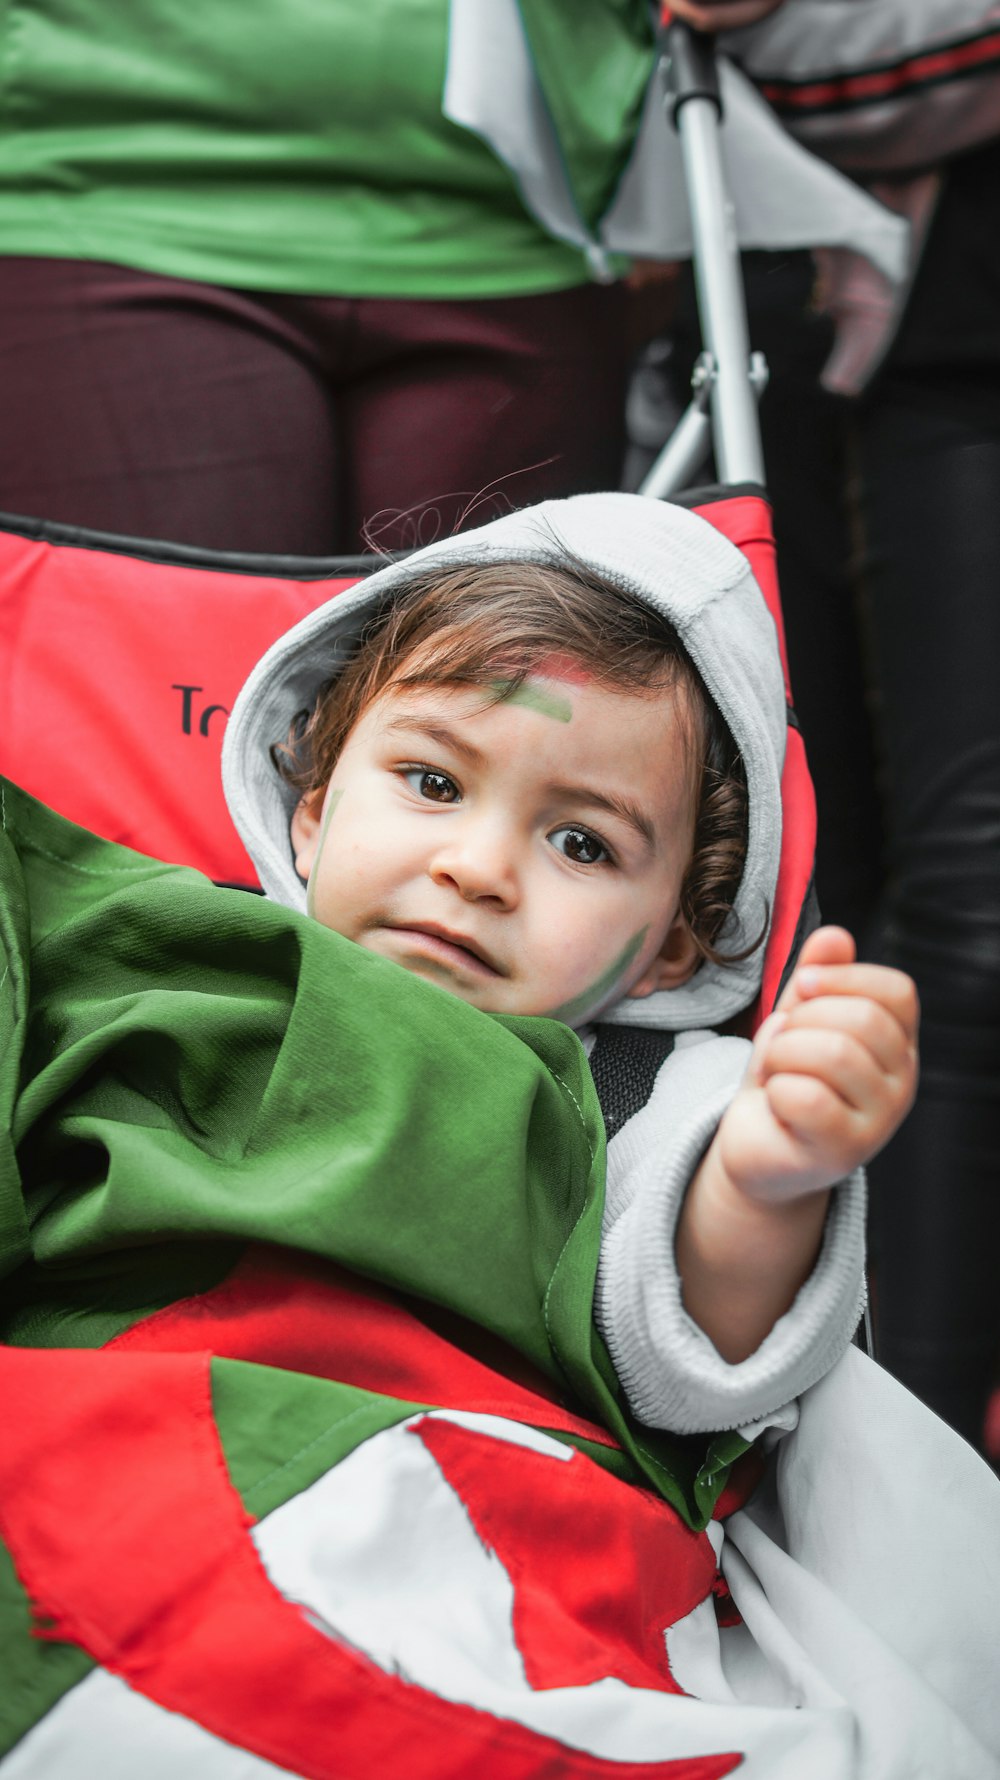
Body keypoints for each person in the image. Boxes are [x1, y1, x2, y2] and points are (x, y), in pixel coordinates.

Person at [8, 496, 1000, 1776]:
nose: (478, 866)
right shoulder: (168, 954)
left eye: (580, 842)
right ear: (312, 810)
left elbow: (688, 1340)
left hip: (448, 1479)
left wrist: (770, 1170)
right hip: (97, 1414)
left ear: (669, 950)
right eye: (430, 781)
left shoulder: (648, 1087)